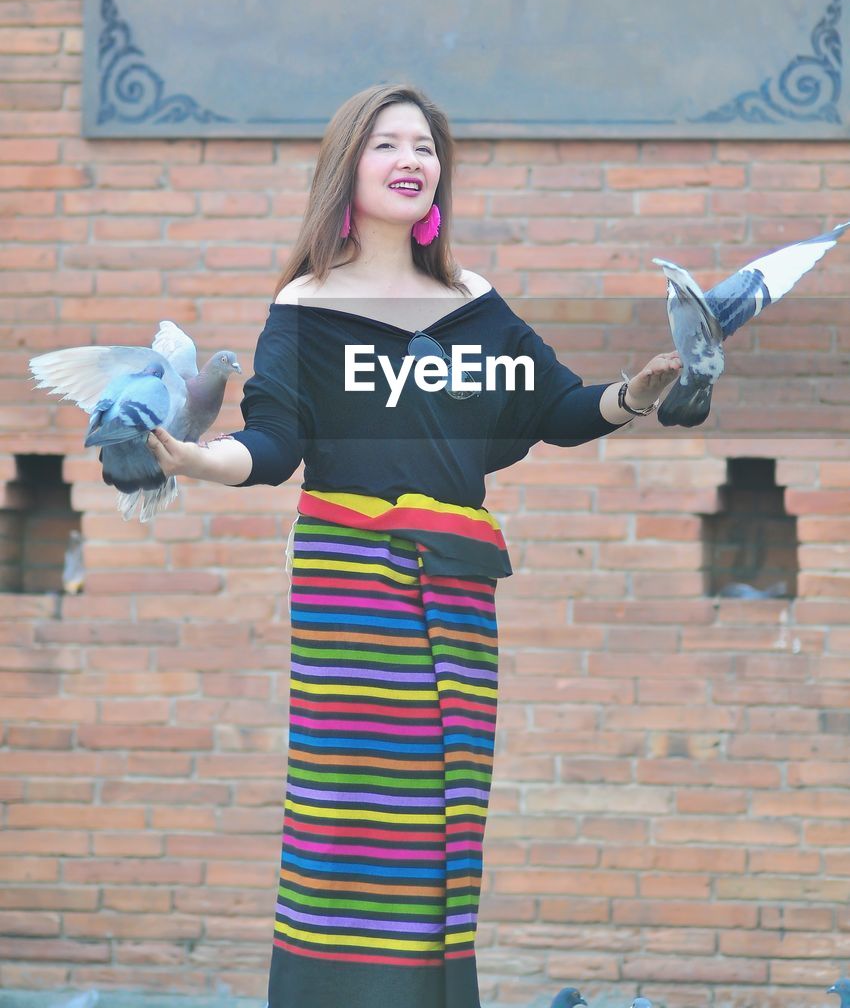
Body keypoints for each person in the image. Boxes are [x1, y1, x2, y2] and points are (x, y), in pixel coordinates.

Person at [146, 83, 681, 1008]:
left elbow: (553, 407)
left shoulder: (475, 304)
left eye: (425, 146)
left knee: (445, 820)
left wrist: (633, 395)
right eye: (388, 143)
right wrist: (198, 460)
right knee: (355, 816)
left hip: (460, 581)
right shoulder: (306, 305)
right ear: (347, 170)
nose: (410, 159)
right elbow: (274, 441)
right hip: (351, 585)